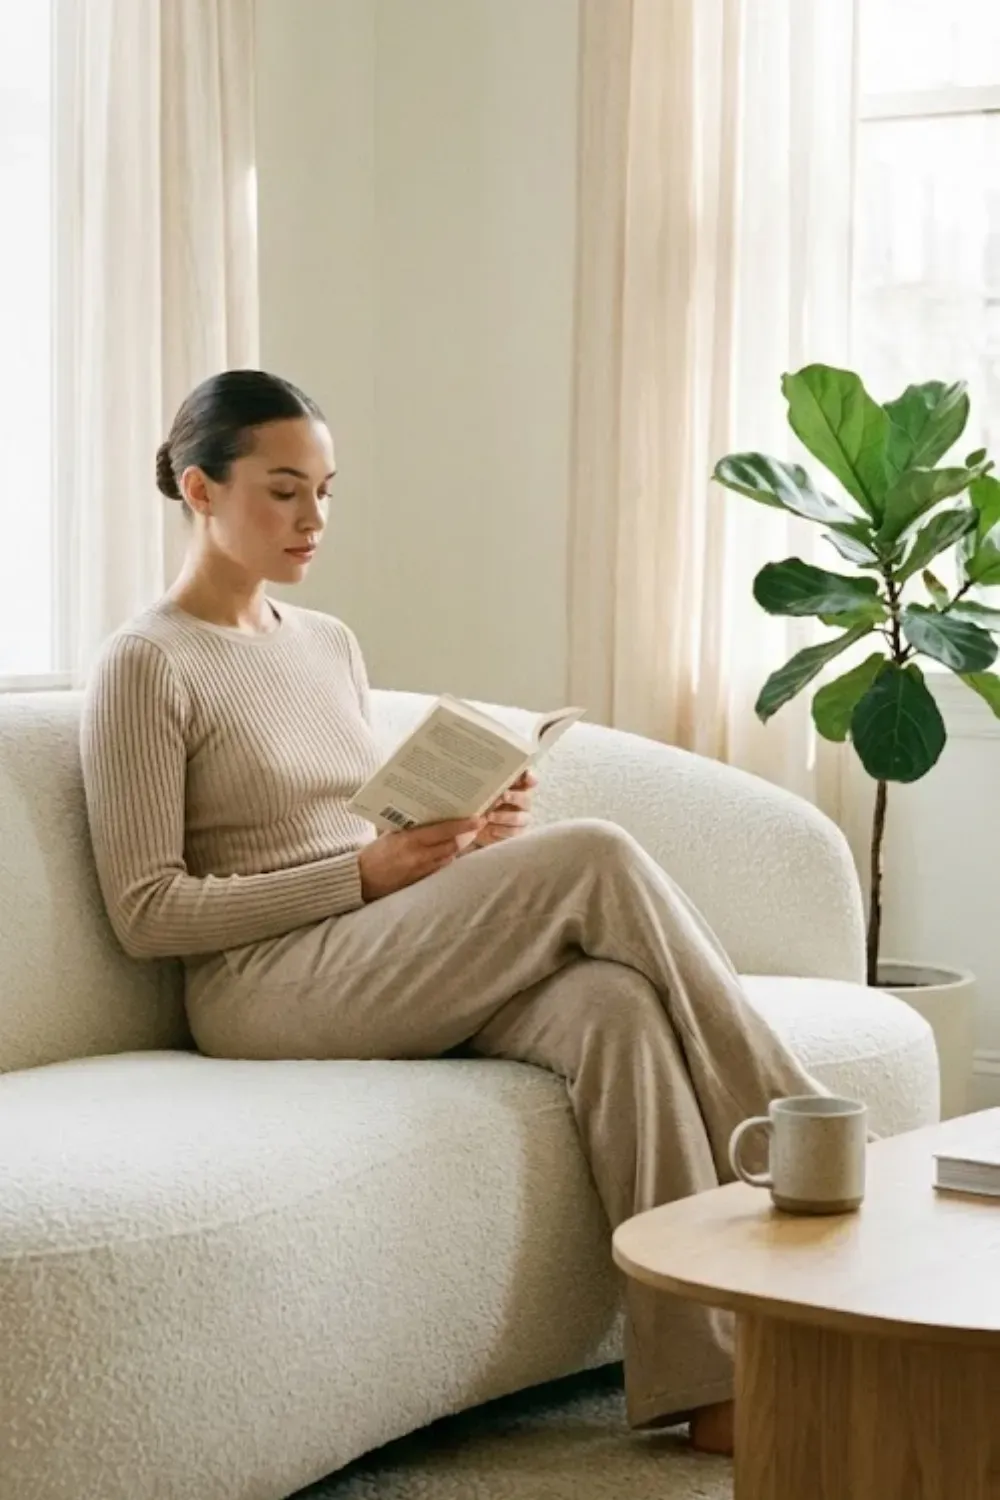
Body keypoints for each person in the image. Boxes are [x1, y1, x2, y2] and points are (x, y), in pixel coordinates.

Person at [80, 369, 826, 1456]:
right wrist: (365, 879)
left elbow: (346, 830)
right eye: (284, 491)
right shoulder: (145, 665)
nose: (314, 520)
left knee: (609, 1007)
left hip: (366, 949)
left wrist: (457, 835)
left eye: (328, 491)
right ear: (199, 489)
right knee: (596, 856)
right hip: (258, 987)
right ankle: (803, 1136)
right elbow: (148, 913)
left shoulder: (324, 642)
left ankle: (706, 1384)